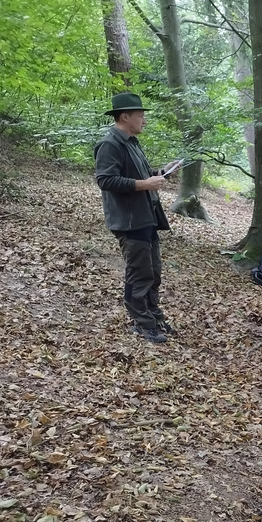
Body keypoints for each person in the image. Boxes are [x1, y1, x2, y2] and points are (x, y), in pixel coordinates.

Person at [94, 92, 179, 343]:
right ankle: (142, 324)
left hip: (146, 216)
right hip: (129, 221)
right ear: (125, 117)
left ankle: (154, 317)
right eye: (140, 115)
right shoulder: (110, 144)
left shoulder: (132, 142)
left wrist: (163, 172)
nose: (144, 120)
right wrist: (144, 184)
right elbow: (105, 180)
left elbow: (141, 174)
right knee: (139, 274)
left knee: (154, 272)